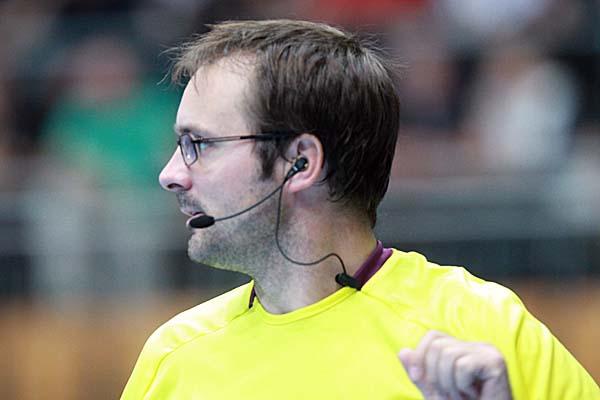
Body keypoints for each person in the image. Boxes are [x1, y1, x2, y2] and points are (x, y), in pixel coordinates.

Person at [121, 20, 599, 399]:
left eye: (198, 144)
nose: (170, 174)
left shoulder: (483, 329)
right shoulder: (172, 358)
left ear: (300, 161)